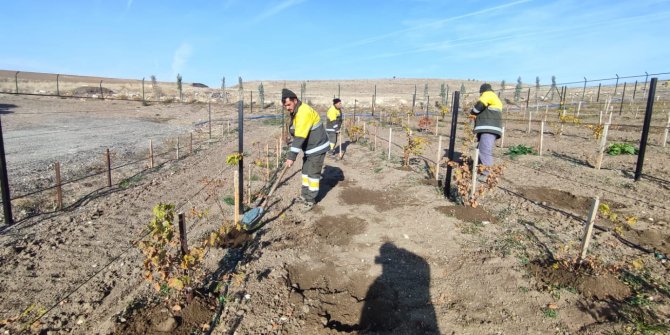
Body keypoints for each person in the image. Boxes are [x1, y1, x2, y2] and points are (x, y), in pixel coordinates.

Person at [282, 88, 330, 211]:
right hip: (310, 148)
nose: (287, 108)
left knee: (313, 175)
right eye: (285, 105)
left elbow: (299, 137)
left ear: (295, 100)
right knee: (305, 172)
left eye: (289, 104)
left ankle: (311, 200)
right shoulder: (297, 110)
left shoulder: (303, 112)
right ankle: (305, 195)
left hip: (317, 148)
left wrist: (291, 157)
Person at [471, 83, 503, 180]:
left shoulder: (488, 94)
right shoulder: (494, 98)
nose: (480, 95)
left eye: (480, 93)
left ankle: (486, 174)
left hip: (488, 128)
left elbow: (479, 106)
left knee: (484, 149)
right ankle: (479, 169)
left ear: (482, 91)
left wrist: (472, 112)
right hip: (489, 128)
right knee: (480, 149)